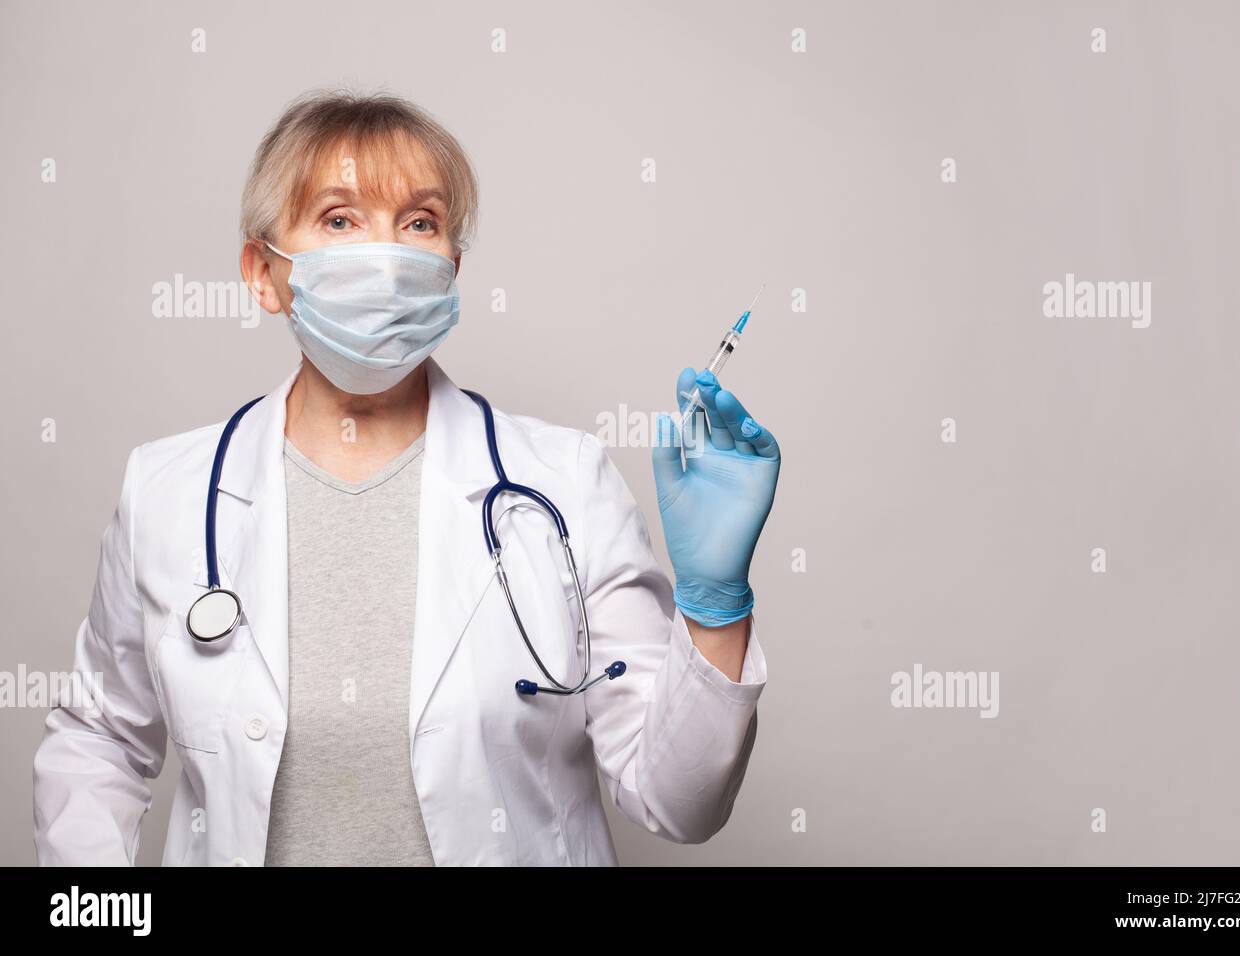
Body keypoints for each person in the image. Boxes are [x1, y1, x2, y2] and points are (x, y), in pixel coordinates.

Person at [32, 90, 781, 866]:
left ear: (450, 270)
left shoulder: (564, 484)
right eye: (340, 220)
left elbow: (678, 803)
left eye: (419, 222)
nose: (387, 260)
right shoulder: (167, 492)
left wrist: (715, 605)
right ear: (263, 273)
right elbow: (98, 742)